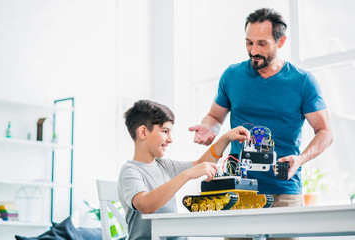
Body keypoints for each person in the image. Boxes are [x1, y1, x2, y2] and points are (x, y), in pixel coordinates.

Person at [189, 8, 333, 240]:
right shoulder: (232, 76)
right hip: (237, 191)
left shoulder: (303, 82)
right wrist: (209, 129)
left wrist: (301, 159)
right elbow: (215, 117)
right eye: (249, 43)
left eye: (262, 44)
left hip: (284, 189)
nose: (253, 51)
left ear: (281, 41)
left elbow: (325, 131)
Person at [118, 99, 250, 240]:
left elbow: (202, 163)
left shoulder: (165, 165)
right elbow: (145, 205)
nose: (170, 139)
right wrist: (187, 175)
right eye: (165, 131)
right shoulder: (130, 171)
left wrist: (226, 138)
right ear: (143, 132)